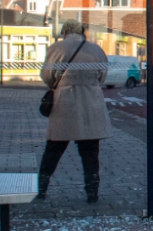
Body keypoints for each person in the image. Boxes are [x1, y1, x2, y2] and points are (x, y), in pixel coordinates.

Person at [36, 20, 110, 204]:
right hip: (90, 104)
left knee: (54, 149)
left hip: (65, 102)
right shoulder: (96, 50)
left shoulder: (57, 48)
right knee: (90, 153)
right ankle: (92, 193)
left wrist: (58, 85)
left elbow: (46, 75)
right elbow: (102, 75)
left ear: (65, 32)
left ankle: (42, 189)